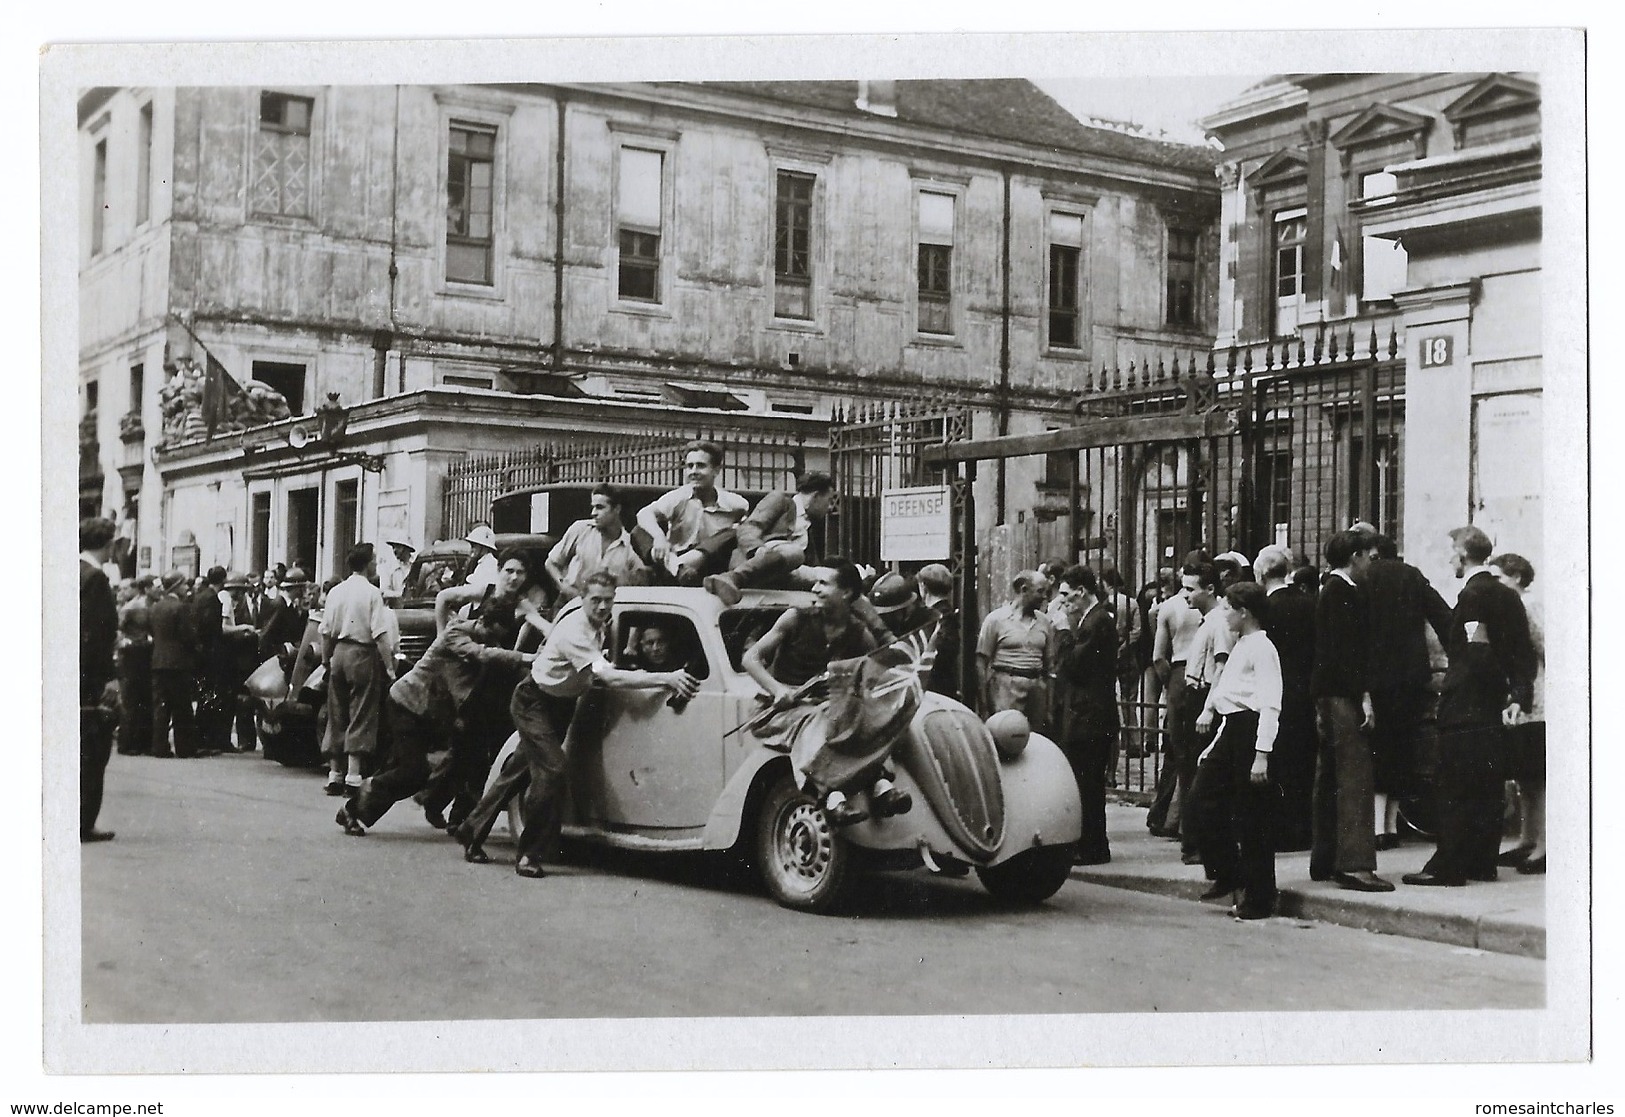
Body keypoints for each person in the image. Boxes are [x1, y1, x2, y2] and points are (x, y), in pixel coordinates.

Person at [451, 571, 699, 877]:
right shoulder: (576, 630)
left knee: (518, 770)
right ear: (582, 599)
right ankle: (529, 854)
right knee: (553, 768)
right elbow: (606, 675)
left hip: (560, 703)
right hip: (534, 701)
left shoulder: (601, 623)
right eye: (595, 600)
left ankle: (471, 829)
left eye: (608, 600)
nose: (602, 606)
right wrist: (665, 677)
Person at [338, 550, 537, 836]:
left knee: (431, 763)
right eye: (489, 632)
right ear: (480, 623)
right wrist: (525, 658)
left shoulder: (478, 632)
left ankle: (360, 810)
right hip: (407, 704)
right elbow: (483, 654)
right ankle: (352, 810)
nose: (490, 638)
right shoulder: (456, 633)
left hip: (427, 712)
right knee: (412, 772)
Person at [1404, 527, 1535, 887]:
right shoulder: (1508, 597)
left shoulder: (1474, 594)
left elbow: (1475, 652)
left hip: (1466, 706)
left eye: (1451, 552)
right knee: (1486, 786)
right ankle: (1481, 862)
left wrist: (1461, 686)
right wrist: (1517, 695)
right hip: (1491, 708)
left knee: (1456, 786)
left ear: (1463, 555)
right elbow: (1522, 653)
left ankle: (1448, 866)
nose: (1449, 559)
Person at [743, 561, 913, 827]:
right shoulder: (795, 618)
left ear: (846, 593)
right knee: (823, 722)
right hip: (780, 711)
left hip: (827, 710)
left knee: (868, 719)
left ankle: (881, 788)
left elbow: (874, 672)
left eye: (824, 583)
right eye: (816, 583)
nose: (815, 589)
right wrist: (778, 690)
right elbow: (750, 658)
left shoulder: (859, 634)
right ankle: (832, 799)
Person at [1351, 524, 1455, 850]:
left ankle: (1377, 825)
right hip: (1411, 676)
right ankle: (1391, 826)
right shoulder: (1412, 575)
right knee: (1402, 747)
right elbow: (1443, 616)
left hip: (1373, 675)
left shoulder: (1363, 577)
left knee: (1376, 748)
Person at [1189, 581, 1283, 920]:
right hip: (1231, 730)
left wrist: (1262, 753)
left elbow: (1271, 703)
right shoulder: (1242, 644)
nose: (1224, 613)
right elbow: (1227, 700)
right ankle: (1229, 873)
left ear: (1245, 612)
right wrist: (1214, 745)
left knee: (1253, 817)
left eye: (1229, 607)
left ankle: (1259, 897)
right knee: (1202, 798)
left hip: (1251, 732)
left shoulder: (1262, 647)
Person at [1309, 530, 1392, 892]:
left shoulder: (1332, 590)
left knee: (1330, 776)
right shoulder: (1343, 594)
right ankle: (1356, 863)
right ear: (1355, 556)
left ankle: (1326, 858)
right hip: (1343, 695)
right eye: (1370, 558)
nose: (1372, 565)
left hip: (1329, 694)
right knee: (1356, 775)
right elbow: (1349, 656)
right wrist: (1364, 697)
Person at [319, 543, 397, 798]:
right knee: (362, 711)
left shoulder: (336, 592)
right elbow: (381, 634)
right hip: (362, 653)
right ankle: (353, 776)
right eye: (374, 560)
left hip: (338, 653)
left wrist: (326, 660)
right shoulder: (373, 593)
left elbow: (325, 631)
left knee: (337, 710)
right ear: (367, 564)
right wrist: (389, 666)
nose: (376, 564)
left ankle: (334, 774)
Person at [1253, 544, 1316, 852]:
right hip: (1304, 692)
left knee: (1276, 761)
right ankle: (1302, 828)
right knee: (1301, 762)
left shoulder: (1264, 609)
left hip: (1274, 691)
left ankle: (1279, 830)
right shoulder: (1308, 602)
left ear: (1263, 572)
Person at [1052, 565, 1116, 865]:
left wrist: (1064, 631)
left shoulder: (1096, 622)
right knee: (1085, 781)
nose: (1063, 602)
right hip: (1088, 712)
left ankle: (1092, 846)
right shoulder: (1093, 620)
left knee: (1087, 782)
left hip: (1090, 716)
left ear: (1081, 591)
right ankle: (1091, 843)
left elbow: (1074, 666)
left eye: (1066, 595)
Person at [1490, 552, 1545, 875]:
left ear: (1518, 579)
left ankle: (1545, 844)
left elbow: (1545, 647)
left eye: (1500, 578)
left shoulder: (1529, 607)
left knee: (1538, 774)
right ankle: (1527, 839)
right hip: (1521, 703)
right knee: (1526, 774)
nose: (1496, 585)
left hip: (1538, 701)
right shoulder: (1511, 609)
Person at [703, 471, 835, 605]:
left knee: (836, 575)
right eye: (829, 500)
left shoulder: (809, 528)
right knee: (795, 553)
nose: (830, 507)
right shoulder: (780, 501)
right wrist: (759, 551)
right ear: (816, 496)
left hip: (783, 575)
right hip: (753, 562)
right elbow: (748, 529)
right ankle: (733, 578)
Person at [1174, 562, 1231, 864]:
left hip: (1205, 697)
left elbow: (1221, 666)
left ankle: (1196, 843)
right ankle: (1192, 840)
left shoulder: (1219, 621)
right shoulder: (1207, 620)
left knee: (1197, 774)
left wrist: (1208, 708)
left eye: (1190, 589)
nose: (1185, 595)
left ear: (1209, 589)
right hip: (1195, 694)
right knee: (1188, 770)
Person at [635, 441, 750, 586]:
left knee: (733, 533)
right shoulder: (678, 497)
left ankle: (677, 567)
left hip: (709, 566)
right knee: (640, 530)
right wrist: (659, 538)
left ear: (716, 470)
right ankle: (678, 568)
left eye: (701, 466)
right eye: (690, 466)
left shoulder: (736, 505)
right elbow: (643, 514)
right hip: (675, 563)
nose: (693, 472)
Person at [1145, 564, 1203, 838]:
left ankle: (1168, 817)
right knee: (1198, 749)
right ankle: (1183, 821)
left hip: (1179, 671)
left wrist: (1170, 680)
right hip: (1205, 674)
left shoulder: (1168, 607)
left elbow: (1158, 656)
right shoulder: (1214, 606)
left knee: (1178, 750)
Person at [79, 517, 120, 843]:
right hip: (90, 679)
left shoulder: (70, 572)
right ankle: (84, 821)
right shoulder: (96, 579)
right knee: (94, 751)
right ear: (107, 544)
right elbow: (98, 634)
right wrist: (109, 678)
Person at [975, 571, 1054, 733]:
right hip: (1005, 688)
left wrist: (1048, 704)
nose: (1045, 597)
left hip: (1035, 688)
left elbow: (1051, 666)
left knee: (1036, 741)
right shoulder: (995, 619)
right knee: (1005, 737)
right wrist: (983, 705)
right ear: (1024, 590)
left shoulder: (1045, 622)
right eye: (1040, 591)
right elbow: (981, 663)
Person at [545, 483, 649, 603]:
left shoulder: (629, 545)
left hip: (602, 608)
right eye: (593, 507)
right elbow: (551, 563)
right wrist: (564, 587)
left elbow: (641, 582)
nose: (593, 512)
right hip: (569, 603)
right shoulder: (580, 529)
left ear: (617, 509)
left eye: (600, 507)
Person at [148, 570, 199, 759]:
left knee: (161, 706)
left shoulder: (156, 607)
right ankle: (185, 748)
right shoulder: (181, 607)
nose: (187, 588)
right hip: (178, 662)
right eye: (184, 584)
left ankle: (159, 747)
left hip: (158, 661)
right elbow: (188, 636)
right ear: (176, 586)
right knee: (182, 707)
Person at [114, 575, 157, 756]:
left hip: (144, 654)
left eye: (125, 589)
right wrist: (124, 643)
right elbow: (117, 630)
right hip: (132, 656)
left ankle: (141, 741)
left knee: (143, 698)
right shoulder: (130, 608)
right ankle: (128, 742)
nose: (122, 593)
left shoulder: (148, 606)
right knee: (132, 699)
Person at [915, 563, 960, 702]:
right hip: (946, 684)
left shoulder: (930, 616)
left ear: (923, 586)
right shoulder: (949, 614)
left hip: (931, 686)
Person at [462, 524, 500, 589]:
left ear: (484, 547)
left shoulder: (490, 565)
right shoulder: (480, 563)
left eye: (474, 545)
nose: (472, 549)